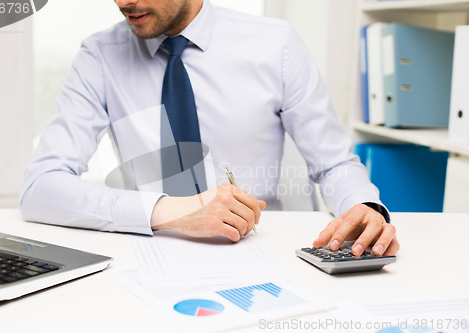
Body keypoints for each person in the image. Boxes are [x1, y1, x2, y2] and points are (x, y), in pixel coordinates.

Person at [20, 0, 399, 257]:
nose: (124, 1)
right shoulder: (100, 57)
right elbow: (41, 186)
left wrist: (361, 207)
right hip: (151, 253)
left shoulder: (276, 44)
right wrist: (169, 211)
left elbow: (333, 163)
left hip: (264, 250)